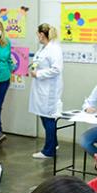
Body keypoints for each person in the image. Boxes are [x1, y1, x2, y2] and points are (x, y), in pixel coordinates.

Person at [29, 23, 63, 159]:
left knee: (49, 119)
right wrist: (34, 69)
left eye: (37, 34)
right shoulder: (43, 49)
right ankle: (53, 144)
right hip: (41, 88)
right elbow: (39, 63)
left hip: (49, 90)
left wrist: (38, 74)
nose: (37, 36)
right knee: (44, 117)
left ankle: (49, 151)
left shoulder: (54, 49)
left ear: (42, 34)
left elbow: (56, 69)